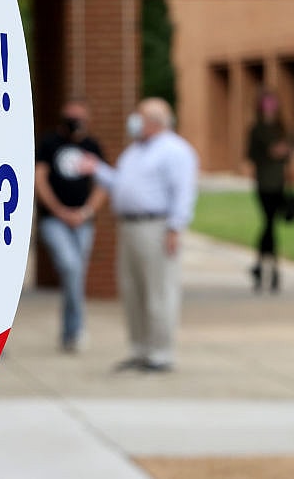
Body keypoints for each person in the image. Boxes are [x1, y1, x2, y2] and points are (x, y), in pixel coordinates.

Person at [85, 98, 199, 372]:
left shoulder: (175, 150)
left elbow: (183, 191)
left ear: (156, 121)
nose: (134, 121)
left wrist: (175, 227)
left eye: (140, 116)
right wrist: (97, 169)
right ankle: (140, 349)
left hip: (156, 227)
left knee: (158, 290)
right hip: (129, 226)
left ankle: (161, 352)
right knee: (132, 289)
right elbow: (121, 183)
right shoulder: (135, 151)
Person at [34, 98, 109, 352]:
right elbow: (40, 179)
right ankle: (76, 329)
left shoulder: (91, 146)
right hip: (54, 220)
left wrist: (86, 212)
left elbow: (102, 183)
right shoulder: (49, 143)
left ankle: (70, 333)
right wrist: (59, 210)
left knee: (75, 274)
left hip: (83, 222)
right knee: (71, 266)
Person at [246, 90, 294, 293]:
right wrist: (270, 152)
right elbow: (250, 155)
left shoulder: (280, 128)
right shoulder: (256, 129)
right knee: (269, 224)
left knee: (270, 225)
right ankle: (271, 269)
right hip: (264, 183)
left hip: (279, 182)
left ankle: (260, 266)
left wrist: (284, 152)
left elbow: (289, 155)